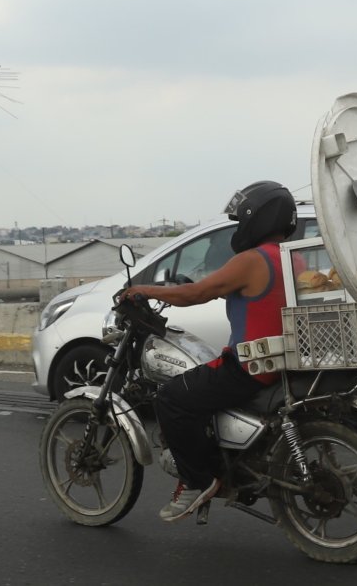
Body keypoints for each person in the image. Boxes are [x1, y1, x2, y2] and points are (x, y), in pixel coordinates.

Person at [122, 181, 297, 522]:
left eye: (241, 220)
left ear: (258, 218)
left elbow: (196, 293)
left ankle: (197, 480)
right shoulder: (294, 259)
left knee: (170, 398)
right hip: (281, 362)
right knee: (199, 387)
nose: (239, 227)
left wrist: (144, 289)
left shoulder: (252, 260)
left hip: (249, 366)